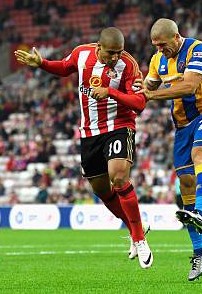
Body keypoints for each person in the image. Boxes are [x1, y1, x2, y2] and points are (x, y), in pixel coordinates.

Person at [13, 27, 153, 269]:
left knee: (118, 178)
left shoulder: (128, 64)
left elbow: (139, 103)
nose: (115, 58)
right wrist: (41, 63)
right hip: (89, 132)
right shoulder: (81, 54)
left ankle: (140, 239)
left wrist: (110, 91)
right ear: (98, 47)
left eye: (118, 53)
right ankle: (134, 229)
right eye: (110, 53)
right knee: (101, 190)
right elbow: (64, 68)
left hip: (119, 125)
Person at [139, 18, 202, 281]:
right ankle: (201, 251)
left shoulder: (198, 49)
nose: (160, 50)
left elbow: (189, 86)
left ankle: (200, 212)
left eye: (163, 45)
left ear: (177, 37)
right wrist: (137, 92)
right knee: (186, 183)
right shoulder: (157, 60)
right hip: (181, 126)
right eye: (155, 46)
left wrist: (152, 95)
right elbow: (148, 86)